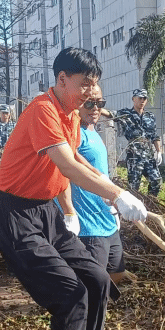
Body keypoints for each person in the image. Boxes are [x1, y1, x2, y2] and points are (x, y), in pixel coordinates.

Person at [0, 47, 147, 330]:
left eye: (94, 83)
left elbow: (76, 158)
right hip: (15, 215)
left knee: (97, 279)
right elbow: (67, 166)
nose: (91, 92)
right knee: (70, 295)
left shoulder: (71, 115)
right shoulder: (43, 110)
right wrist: (116, 195)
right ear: (62, 79)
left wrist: (110, 190)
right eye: (85, 83)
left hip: (46, 211)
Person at [62, 85, 126, 285]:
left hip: (106, 219)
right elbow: (63, 172)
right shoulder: (73, 134)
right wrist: (69, 212)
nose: (96, 108)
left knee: (117, 272)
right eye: (90, 104)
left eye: (100, 103)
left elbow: (99, 172)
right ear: (78, 104)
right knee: (93, 284)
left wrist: (114, 198)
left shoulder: (93, 130)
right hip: (88, 226)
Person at [98, 89, 162, 196]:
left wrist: (158, 152)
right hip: (134, 154)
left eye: (144, 98)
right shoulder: (126, 114)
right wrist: (96, 107)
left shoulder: (150, 116)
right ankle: (133, 204)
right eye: (140, 98)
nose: (142, 101)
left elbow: (155, 135)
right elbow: (110, 114)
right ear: (133, 99)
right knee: (134, 185)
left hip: (148, 154)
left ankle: (150, 201)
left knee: (156, 181)